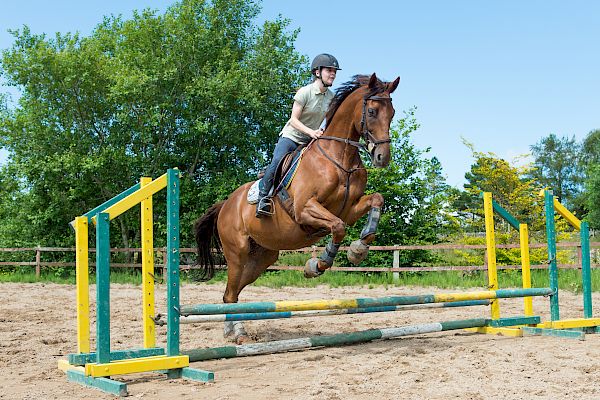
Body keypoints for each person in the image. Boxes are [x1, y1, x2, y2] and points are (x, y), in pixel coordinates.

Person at [256, 53, 341, 217]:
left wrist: (324, 132)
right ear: (317, 72)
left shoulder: (332, 97)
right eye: (329, 70)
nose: (333, 74)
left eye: (334, 71)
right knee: (277, 161)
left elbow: (330, 122)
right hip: (292, 137)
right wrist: (311, 132)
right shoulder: (305, 92)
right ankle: (263, 198)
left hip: (312, 139)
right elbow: (293, 120)